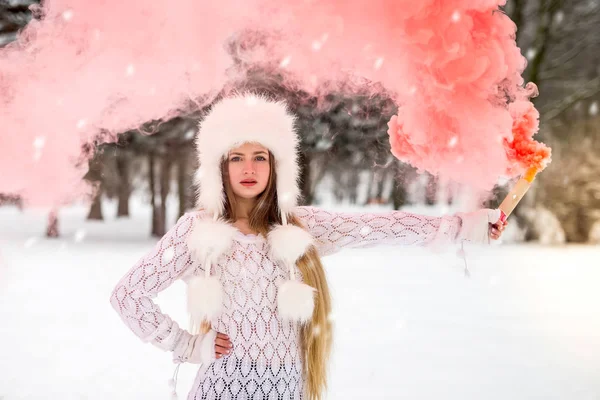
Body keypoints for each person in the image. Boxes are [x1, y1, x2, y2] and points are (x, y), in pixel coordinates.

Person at [110, 94, 507, 400]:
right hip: (224, 384)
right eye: (237, 158)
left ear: (276, 164)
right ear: (220, 167)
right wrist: (186, 344)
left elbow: (377, 226)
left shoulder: (301, 226)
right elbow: (128, 295)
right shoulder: (197, 231)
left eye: (260, 157)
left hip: (287, 384)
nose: (249, 169)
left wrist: (459, 227)